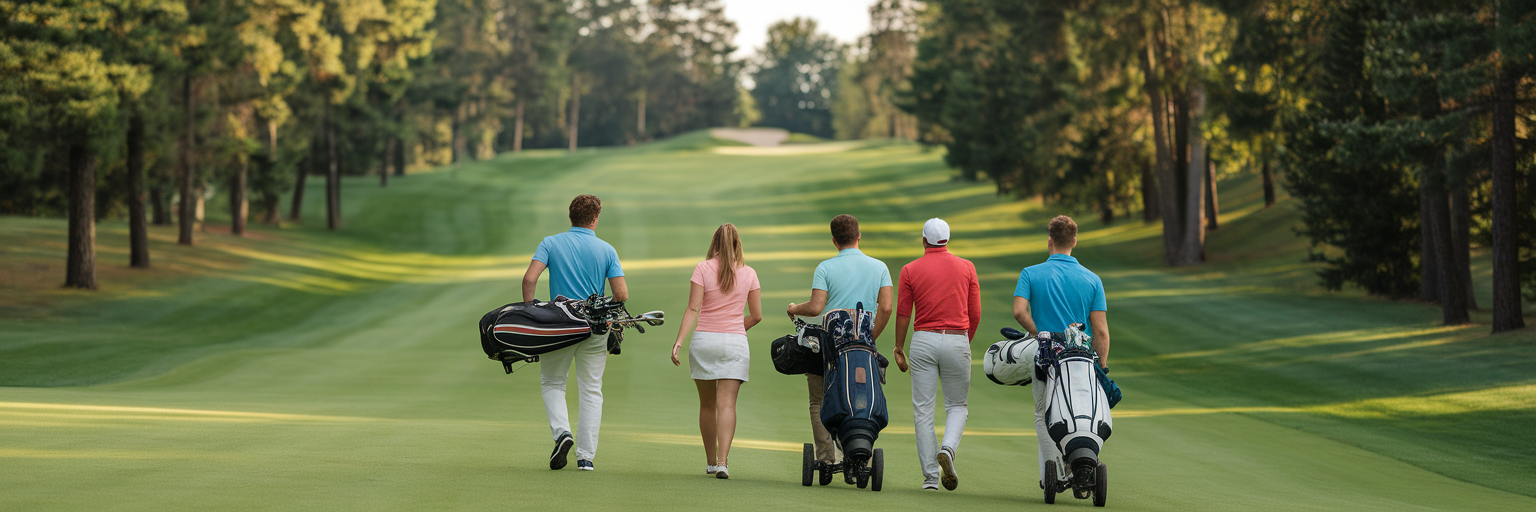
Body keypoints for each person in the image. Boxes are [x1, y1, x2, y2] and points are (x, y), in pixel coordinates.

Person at [520, 194, 627, 472]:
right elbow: (621, 294)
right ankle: (585, 458)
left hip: (559, 325)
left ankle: (562, 434)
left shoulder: (551, 243)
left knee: (553, 382)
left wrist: (531, 311)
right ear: (595, 219)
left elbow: (530, 278)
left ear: (571, 216)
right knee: (591, 389)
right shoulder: (607, 249)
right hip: (595, 326)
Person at [786, 214, 894, 468]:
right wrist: (870, 338)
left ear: (834, 241)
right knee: (860, 395)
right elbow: (887, 307)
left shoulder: (825, 268)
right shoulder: (879, 267)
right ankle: (858, 451)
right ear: (859, 236)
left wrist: (794, 308)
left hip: (829, 347)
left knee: (818, 400)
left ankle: (826, 458)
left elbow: (816, 307)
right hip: (862, 346)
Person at [1012, 215, 1110, 489]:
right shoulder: (1092, 279)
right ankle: (1080, 464)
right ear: (1074, 241)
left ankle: (1054, 473)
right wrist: (1102, 366)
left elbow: (1019, 311)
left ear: (1050, 241)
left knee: (1044, 413)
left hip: (1047, 358)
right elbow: (1101, 331)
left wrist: (1038, 334)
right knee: (1080, 412)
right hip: (1082, 359)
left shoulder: (1031, 273)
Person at [891, 218, 980, 491]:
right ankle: (948, 449)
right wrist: (964, 341)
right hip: (956, 338)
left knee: (923, 411)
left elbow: (904, 313)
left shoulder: (910, 269)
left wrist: (899, 347)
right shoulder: (967, 267)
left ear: (923, 240)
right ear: (947, 240)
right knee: (957, 405)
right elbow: (975, 312)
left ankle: (931, 478)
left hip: (923, 341)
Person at [670, 224, 763, 480]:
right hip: (734, 343)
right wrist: (736, 329)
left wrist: (679, 341)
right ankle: (723, 463)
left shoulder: (703, 268)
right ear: (737, 244)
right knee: (727, 405)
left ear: (714, 242)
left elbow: (693, 309)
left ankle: (711, 462)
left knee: (707, 404)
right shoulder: (750, 273)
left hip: (704, 341)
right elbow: (756, 316)